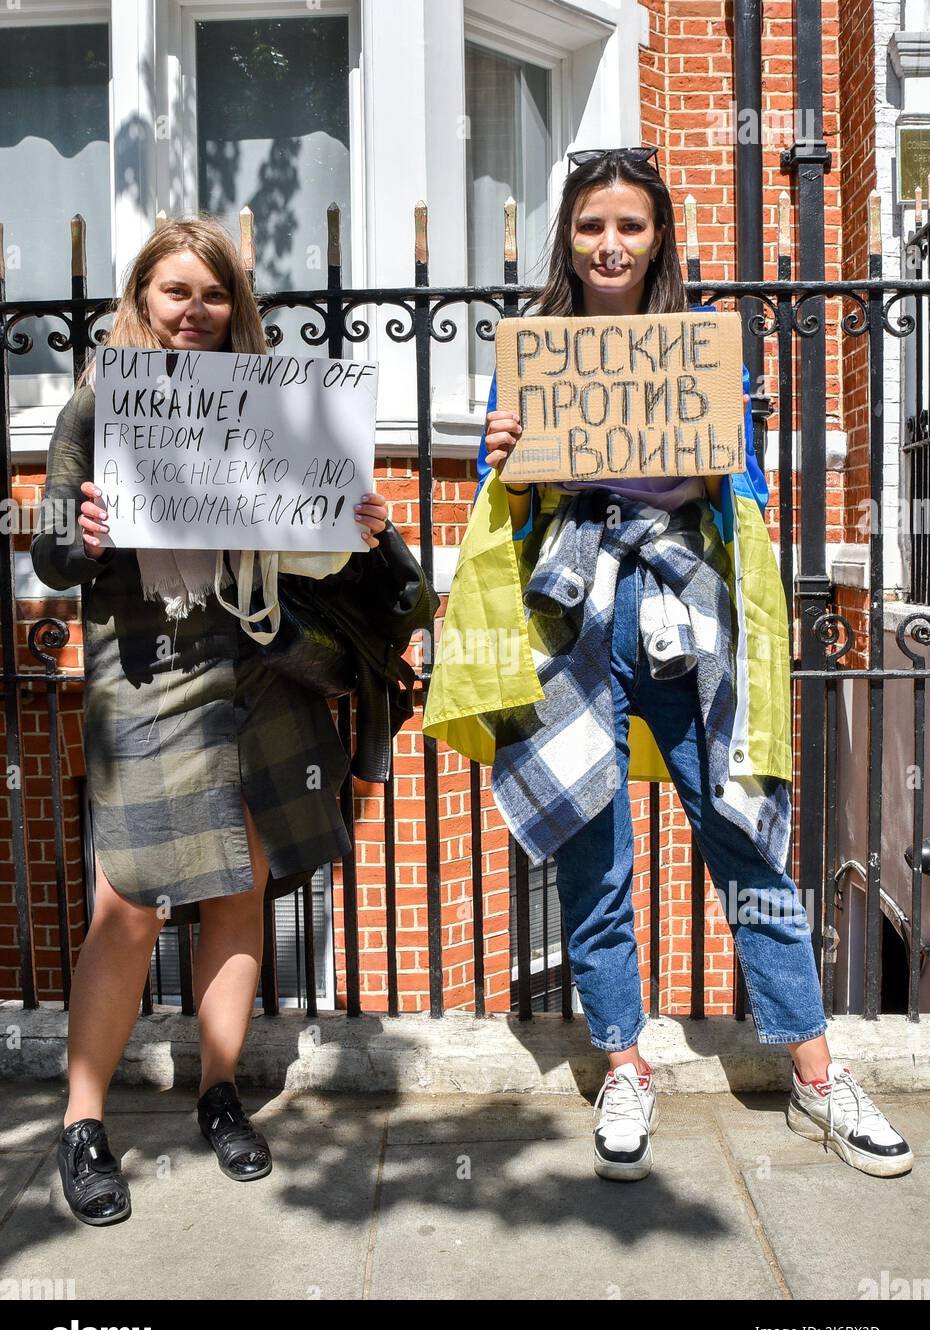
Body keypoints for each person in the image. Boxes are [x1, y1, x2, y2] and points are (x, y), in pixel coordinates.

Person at [424, 148, 913, 1182]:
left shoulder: (702, 348)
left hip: (685, 609)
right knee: (596, 854)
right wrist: (503, 457)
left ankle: (817, 1074)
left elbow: (748, 498)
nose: (610, 244)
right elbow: (501, 504)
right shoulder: (536, 351)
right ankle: (623, 1063)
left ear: (658, 239)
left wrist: (716, 454)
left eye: (631, 226)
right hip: (572, 611)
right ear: (570, 237)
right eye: (592, 226)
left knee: (743, 836)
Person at [31, 215, 389, 1225]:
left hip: (261, 671)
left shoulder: (276, 406)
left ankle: (219, 1092)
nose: (195, 310)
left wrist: (358, 525)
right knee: (130, 905)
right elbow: (52, 552)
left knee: (243, 884)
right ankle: (84, 1121)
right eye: (176, 290)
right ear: (144, 294)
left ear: (238, 306)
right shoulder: (98, 408)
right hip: (148, 674)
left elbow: (319, 545)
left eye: (215, 293)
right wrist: (82, 532)